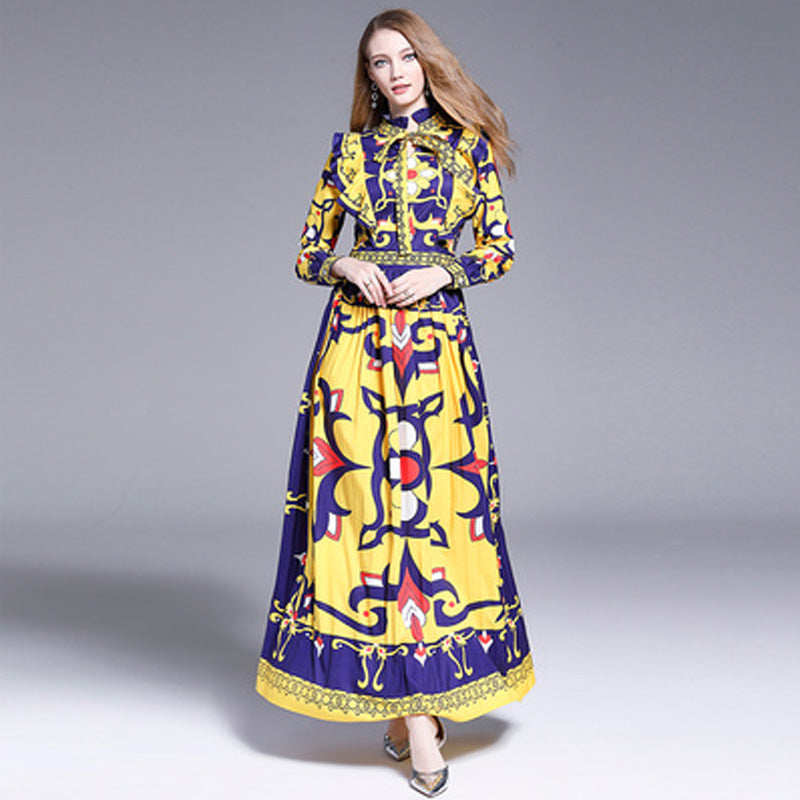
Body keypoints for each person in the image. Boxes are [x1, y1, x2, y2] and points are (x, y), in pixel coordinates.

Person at [256, 9, 535, 796]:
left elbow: (500, 249)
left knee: (434, 517)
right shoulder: (348, 153)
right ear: (368, 78)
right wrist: (347, 267)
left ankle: (412, 705)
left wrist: (446, 270)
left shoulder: (469, 148)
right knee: (365, 516)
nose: (395, 72)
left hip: (439, 353)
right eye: (380, 63)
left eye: (406, 57)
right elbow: (308, 253)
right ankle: (416, 722)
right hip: (356, 350)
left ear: (427, 62)